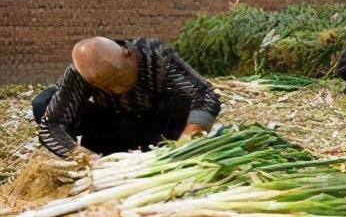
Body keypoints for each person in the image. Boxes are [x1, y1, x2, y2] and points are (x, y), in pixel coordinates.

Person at [33, 37, 221, 160]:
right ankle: (107, 154)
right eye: (104, 86)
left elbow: (206, 95)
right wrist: (81, 156)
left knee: (181, 99)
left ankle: (167, 151)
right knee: (44, 103)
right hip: (116, 127)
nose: (116, 90)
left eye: (117, 79)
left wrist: (187, 140)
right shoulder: (78, 74)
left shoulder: (155, 54)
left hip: (157, 124)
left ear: (128, 55)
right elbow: (51, 126)